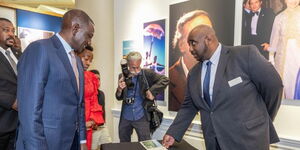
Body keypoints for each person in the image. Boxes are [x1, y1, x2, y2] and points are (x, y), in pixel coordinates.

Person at [162, 25, 283, 150]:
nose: (190, 49)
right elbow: (189, 106)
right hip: (213, 142)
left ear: (208, 39)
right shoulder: (194, 73)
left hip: (248, 140)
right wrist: (173, 132)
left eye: (193, 43)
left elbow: (274, 87)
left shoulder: (244, 55)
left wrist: (262, 117)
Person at [16, 9, 94, 150]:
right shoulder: (40, 49)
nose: (89, 41)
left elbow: (79, 105)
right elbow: (29, 110)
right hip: (46, 142)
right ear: (75, 28)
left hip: (72, 142)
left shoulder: (76, 60)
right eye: (89, 35)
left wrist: (82, 140)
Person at [115, 52, 169, 142]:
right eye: (133, 68)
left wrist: (152, 91)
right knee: (123, 144)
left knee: (145, 143)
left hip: (142, 116)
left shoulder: (147, 73)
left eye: (138, 67)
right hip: (125, 116)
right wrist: (119, 89)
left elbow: (165, 80)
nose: (136, 70)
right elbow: (118, 97)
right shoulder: (122, 76)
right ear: (128, 65)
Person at [169, 10, 213, 111]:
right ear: (182, 45)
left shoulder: (223, 72)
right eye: (197, 35)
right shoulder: (170, 79)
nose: (207, 41)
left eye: (209, 33)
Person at [267, 0, 300, 99]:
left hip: (298, 56)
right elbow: (274, 38)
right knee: (286, 81)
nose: (293, 1)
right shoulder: (279, 17)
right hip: (284, 58)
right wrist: (271, 56)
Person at [0, 17, 19, 150]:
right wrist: (11, 101)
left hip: (20, 124)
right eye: (6, 30)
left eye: (12, 30)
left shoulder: (18, 54)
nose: (11, 34)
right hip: (2, 123)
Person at [89, 69, 112, 150]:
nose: (97, 81)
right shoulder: (87, 94)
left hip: (103, 127)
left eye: (99, 79)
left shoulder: (101, 93)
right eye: (95, 78)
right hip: (93, 129)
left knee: (108, 146)